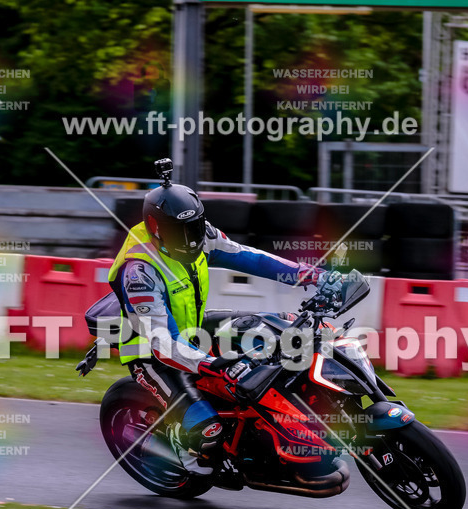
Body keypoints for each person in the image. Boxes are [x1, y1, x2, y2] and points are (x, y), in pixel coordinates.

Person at [108, 159, 324, 478]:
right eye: (181, 230)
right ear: (156, 228)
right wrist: (211, 365)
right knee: (208, 429)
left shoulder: (198, 234)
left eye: (195, 226)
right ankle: (184, 452)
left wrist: (310, 275)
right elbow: (162, 344)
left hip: (193, 328)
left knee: (270, 330)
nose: (192, 238)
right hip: (152, 352)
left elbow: (248, 257)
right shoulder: (139, 271)